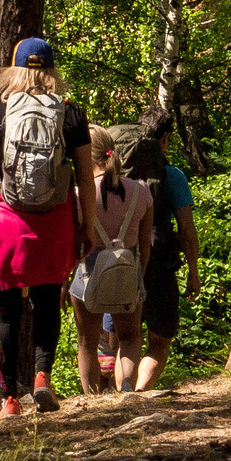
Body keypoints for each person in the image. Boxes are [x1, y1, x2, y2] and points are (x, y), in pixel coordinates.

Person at [0, 37, 95, 417]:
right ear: (51, 72)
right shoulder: (72, 115)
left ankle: (9, 399)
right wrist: (90, 228)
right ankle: (42, 379)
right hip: (55, 224)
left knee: (6, 312)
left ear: (13, 70)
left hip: (6, 226)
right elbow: (84, 178)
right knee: (49, 303)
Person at [114, 105, 201, 391]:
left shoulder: (118, 176)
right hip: (160, 265)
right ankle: (139, 392)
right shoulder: (173, 176)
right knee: (159, 339)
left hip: (121, 260)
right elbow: (187, 231)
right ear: (165, 139)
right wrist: (193, 272)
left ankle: (123, 393)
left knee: (125, 337)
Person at [72, 126, 153, 393]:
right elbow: (144, 244)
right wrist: (139, 273)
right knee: (130, 336)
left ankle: (92, 399)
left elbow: (72, 243)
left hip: (88, 273)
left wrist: (63, 283)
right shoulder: (141, 191)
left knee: (87, 341)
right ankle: (128, 386)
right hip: (128, 270)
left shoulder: (78, 196)